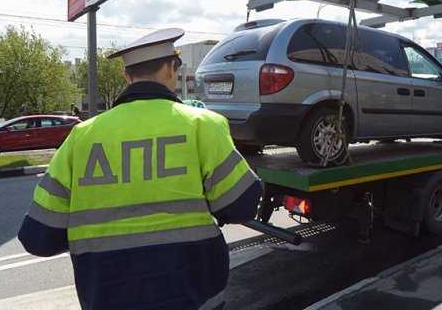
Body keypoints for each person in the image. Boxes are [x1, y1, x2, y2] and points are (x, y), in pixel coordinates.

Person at [18, 28, 262, 310]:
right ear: (172, 69)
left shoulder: (81, 137)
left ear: (126, 76)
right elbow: (243, 206)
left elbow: (38, 238)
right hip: (193, 298)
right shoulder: (203, 125)